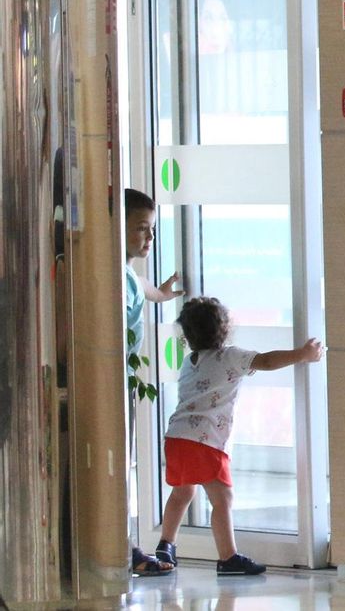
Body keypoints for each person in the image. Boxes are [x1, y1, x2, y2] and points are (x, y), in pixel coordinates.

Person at [155, 296, 324, 575]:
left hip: (176, 437)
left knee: (181, 492)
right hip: (205, 440)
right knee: (222, 498)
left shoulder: (190, 361)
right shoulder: (230, 356)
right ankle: (228, 557)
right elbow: (267, 361)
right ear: (223, 328)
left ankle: (166, 545)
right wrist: (302, 354)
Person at [125, 187, 183, 577]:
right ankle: (128, 550)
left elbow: (142, 286)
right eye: (142, 229)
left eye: (152, 230)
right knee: (121, 468)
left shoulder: (128, 272)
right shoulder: (111, 275)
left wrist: (161, 294)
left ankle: (129, 549)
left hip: (126, 379)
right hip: (116, 380)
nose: (150, 238)